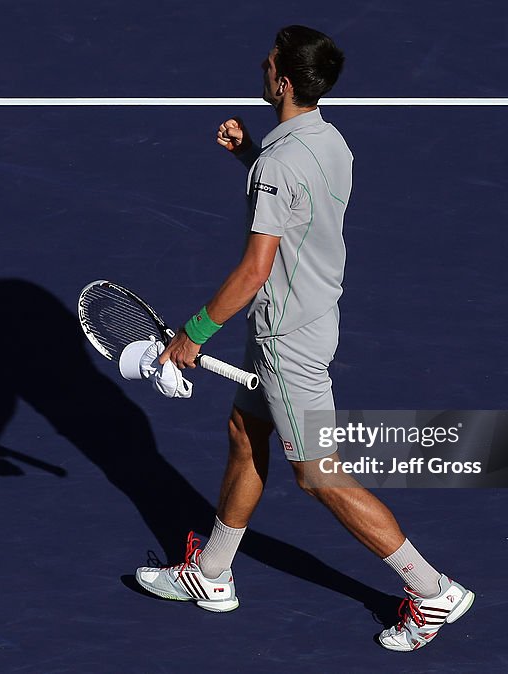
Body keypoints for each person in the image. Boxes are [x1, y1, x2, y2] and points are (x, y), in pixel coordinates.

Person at [133, 25, 474, 652]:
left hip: (286, 340)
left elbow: (255, 269)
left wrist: (192, 334)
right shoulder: (327, 141)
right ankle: (212, 572)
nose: (261, 70)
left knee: (320, 475)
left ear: (283, 82)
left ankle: (432, 592)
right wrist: (249, 154)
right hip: (307, 318)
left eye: (268, 65)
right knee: (245, 434)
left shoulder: (275, 165)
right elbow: (297, 196)